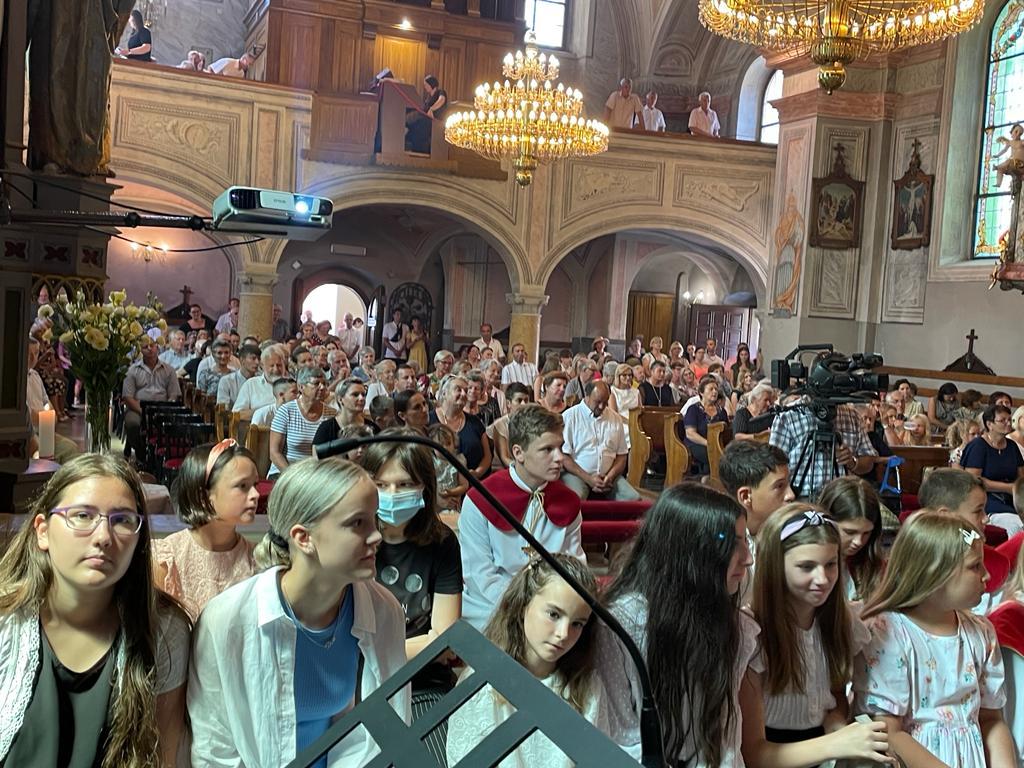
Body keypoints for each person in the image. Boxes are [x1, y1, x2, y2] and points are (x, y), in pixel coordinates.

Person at [188, 457, 410, 766]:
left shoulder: (383, 611)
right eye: (357, 523)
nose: (376, 537)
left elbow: (383, 732)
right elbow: (214, 750)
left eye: (374, 520)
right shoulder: (227, 621)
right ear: (303, 538)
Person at [0, 454, 190, 767]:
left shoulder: (164, 631)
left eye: (122, 520)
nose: (103, 537)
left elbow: (164, 758)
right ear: (43, 531)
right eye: (82, 516)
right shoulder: (7, 622)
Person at [854, 512, 1015, 767]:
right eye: (975, 566)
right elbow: (889, 731)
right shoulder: (888, 633)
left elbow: (991, 719)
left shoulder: (981, 633)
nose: (986, 575)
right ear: (936, 573)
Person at [751, 504, 890, 759]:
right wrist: (835, 744)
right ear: (774, 566)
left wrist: (837, 722)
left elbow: (834, 694)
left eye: (830, 564)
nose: (823, 579)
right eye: (806, 567)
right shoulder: (753, 634)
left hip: (822, 744)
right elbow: (754, 754)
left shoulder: (840, 622)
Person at [446, 554, 606, 767]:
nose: (563, 634)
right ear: (523, 605)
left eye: (577, 623)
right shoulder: (482, 681)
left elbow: (599, 759)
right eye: (554, 614)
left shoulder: (588, 685)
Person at [362, 433, 461, 749]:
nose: (391, 494)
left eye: (405, 484)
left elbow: (443, 638)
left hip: (422, 681)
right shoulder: (353, 539)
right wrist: (423, 644)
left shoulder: (442, 542)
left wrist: (371, 656)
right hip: (357, 685)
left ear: (424, 487)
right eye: (380, 485)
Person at [460, 405, 585, 630]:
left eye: (560, 447)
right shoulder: (480, 499)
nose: (559, 458)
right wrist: (525, 609)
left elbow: (573, 566)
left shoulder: (568, 503)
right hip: (490, 605)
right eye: (547, 449)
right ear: (518, 453)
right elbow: (479, 574)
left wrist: (545, 609)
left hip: (550, 608)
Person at [154, 440, 259, 619]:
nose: (256, 494)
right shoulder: (167, 559)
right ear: (204, 496)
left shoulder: (257, 560)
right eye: (242, 486)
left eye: (255, 484)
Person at [770, 401, 877, 500]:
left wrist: (852, 462)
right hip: (798, 498)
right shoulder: (788, 415)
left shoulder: (852, 416)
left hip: (840, 499)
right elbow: (773, 466)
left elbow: (868, 460)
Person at [560, 381, 639, 501]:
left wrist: (610, 476)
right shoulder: (570, 417)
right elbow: (564, 456)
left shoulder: (615, 418)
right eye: (597, 402)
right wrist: (588, 479)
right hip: (578, 474)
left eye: (605, 402)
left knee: (633, 499)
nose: (602, 406)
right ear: (587, 396)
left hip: (608, 476)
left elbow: (622, 456)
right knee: (575, 499)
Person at [816, 476, 885, 602]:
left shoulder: (872, 563)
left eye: (866, 533)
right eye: (850, 532)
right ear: (827, 522)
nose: (859, 542)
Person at [960, 404, 1024, 534]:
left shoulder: (1012, 446)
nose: (1008, 423)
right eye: (1002, 420)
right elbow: (973, 481)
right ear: (989, 424)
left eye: (1009, 419)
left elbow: (1021, 478)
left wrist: (1015, 489)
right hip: (987, 501)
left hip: (1013, 499)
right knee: (1016, 525)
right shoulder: (978, 446)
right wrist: (1008, 488)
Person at [719, 439, 796, 537]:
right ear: (746, 496)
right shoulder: (725, 543)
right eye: (779, 486)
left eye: (788, 483)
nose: (791, 495)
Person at [122, 337, 181, 461]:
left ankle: (163, 457)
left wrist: (165, 410)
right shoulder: (132, 370)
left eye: (152, 346)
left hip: (162, 408)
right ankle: (141, 456)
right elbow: (128, 397)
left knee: (176, 424)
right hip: (138, 408)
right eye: (145, 347)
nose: (149, 349)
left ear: (157, 347)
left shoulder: (169, 370)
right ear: (140, 350)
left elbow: (174, 394)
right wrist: (144, 412)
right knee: (132, 423)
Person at [269, 366, 332, 478]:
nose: (322, 387)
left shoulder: (331, 414)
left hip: (315, 475)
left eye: (324, 384)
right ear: (301, 387)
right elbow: (274, 453)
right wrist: (292, 475)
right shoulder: (286, 411)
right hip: (284, 472)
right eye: (316, 383)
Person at [430, 375, 491, 479]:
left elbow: (487, 456)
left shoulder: (475, 422)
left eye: (466, 391)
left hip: (475, 482)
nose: (463, 394)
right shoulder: (429, 420)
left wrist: (477, 473)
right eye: (458, 389)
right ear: (444, 393)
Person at [681, 375, 729, 475]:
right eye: (711, 389)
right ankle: (708, 478)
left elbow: (726, 432)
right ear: (701, 393)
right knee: (712, 453)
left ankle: (712, 479)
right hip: (696, 443)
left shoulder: (722, 411)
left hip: (717, 444)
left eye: (716, 389)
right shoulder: (693, 409)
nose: (714, 392)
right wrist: (709, 443)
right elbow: (690, 434)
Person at [314, 377, 372, 451]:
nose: (361, 398)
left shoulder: (372, 428)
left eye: (363, 395)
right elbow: (316, 456)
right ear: (340, 399)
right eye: (355, 394)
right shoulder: (326, 429)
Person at [233, 344, 288, 420]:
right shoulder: (251, 384)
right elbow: (237, 414)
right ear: (262, 366)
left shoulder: (292, 385)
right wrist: (266, 411)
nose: (276, 369)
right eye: (272, 366)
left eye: (279, 365)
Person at [487, 382, 533, 468]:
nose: (524, 404)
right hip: (503, 468)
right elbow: (504, 459)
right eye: (519, 400)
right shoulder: (500, 424)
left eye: (526, 400)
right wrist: (524, 469)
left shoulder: (532, 422)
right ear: (508, 403)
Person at [427, 423, 469, 510]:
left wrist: (451, 492)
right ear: (432, 447)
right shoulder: (430, 462)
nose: (445, 448)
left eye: (448, 443)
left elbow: (464, 485)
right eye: (440, 445)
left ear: (454, 443)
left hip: (453, 502)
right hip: (434, 504)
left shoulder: (458, 461)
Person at [406, 75, 448, 153]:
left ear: (431, 84)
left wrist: (432, 109)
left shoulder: (440, 92)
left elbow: (442, 100)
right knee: (414, 121)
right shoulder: (428, 98)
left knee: (419, 122)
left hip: (435, 121)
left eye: (426, 85)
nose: (425, 87)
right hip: (425, 119)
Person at [216, 344, 260, 409]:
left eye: (259, 359)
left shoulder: (261, 380)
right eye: (253, 358)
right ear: (242, 360)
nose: (257, 362)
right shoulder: (227, 381)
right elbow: (223, 408)